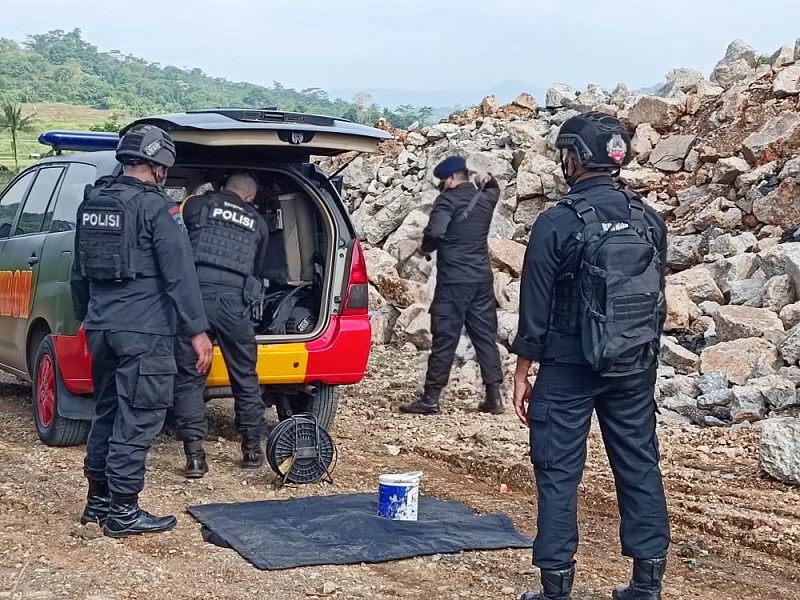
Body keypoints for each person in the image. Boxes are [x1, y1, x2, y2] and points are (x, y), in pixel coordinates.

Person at [511, 112, 670, 600]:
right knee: (639, 462)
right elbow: (654, 294)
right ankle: (647, 584)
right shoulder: (649, 218)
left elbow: (534, 307)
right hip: (633, 366)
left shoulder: (556, 222)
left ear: (575, 158)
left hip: (568, 366)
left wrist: (522, 371)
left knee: (558, 472)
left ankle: (557, 588)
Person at [71, 124, 213, 538]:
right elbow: (180, 274)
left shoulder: (94, 200)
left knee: (107, 414)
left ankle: (96, 503)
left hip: (101, 327)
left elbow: (78, 271)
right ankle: (124, 512)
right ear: (159, 166)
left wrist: (86, 317)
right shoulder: (157, 208)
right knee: (138, 420)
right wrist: (197, 331)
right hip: (144, 331)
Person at [172, 171, 271, 477]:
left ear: (221, 187)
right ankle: (252, 450)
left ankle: (195, 458)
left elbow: (176, 243)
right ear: (250, 197)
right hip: (234, 302)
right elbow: (259, 267)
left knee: (190, 376)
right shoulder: (258, 223)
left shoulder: (196, 205)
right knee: (244, 374)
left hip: (195, 298)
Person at [399, 155, 504, 416]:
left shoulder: (446, 200)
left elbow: (435, 232)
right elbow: (494, 188)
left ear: (450, 178)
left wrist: (424, 248)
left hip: (453, 281)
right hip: (481, 280)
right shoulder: (485, 198)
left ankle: (431, 398)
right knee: (485, 338)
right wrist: (488, 179)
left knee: (445, 338)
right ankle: (494, 397)